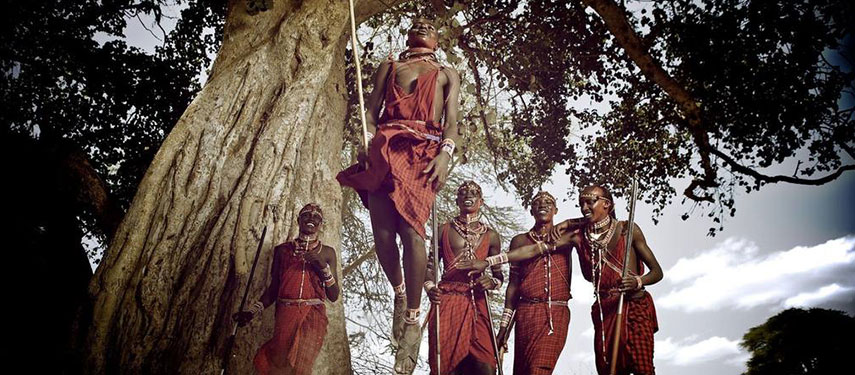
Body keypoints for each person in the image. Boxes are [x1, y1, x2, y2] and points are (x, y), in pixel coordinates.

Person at [336, 16, 461, 374]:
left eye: (430, 26)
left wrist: (446, 155)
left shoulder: (447, 74)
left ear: (437, 40)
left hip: (423, 153)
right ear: (408, 35)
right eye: (416, 24)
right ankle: (400, 290)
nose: (422, 26)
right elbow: (370, 112)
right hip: (384, 148)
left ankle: (412, 317)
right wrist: (365, 140)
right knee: (382, 234)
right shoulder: (389, 66)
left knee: (412, 233)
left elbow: (452, 122)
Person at [459, 185, 663, 374]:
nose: (584, 207)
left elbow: (657, 272)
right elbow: (531, 252)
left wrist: (638, 281)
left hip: (626, 306)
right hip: (600, 310)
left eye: (590, 202)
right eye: (581, 203)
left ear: (607, 204)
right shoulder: (576, 237)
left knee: (642, 368)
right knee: (609, 369)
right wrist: (489, 262)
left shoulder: (625, 230)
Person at [233, 203, 340, 375]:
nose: (311, 219)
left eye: (316, 217)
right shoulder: (282, 250)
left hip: (313, 316)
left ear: (321, 225)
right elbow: (274, 289)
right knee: (278, 367)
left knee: (301, 369)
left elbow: (334, 295)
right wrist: (251, 313)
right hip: (285, 315)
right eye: (306, 215)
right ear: (298, 220)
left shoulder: (327, 252)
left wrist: (322, 267)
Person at [424, 181, 502, 375]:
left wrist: (491, 282)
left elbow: (498, 276)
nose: (468, 195)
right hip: (447, 299)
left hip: (477, 302)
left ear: (481, 201)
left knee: (486, 365)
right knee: (446, 366)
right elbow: (430, 267)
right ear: (456, 200)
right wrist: (430, 287)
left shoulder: (492, 236)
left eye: (474, 193)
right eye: (463, 193)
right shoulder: (443, 230)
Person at [498, 191, 576, 374]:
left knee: (538, 369)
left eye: (549, 202)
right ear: (531, 210)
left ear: (556, 210)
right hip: (525, 313)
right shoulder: (519, 241)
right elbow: (513, 286)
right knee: (523, 371)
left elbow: (589, 221)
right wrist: (504, 328)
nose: (543, 205)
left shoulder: (568, 236)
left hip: (555, 312)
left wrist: (566, 223)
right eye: (537, 203)